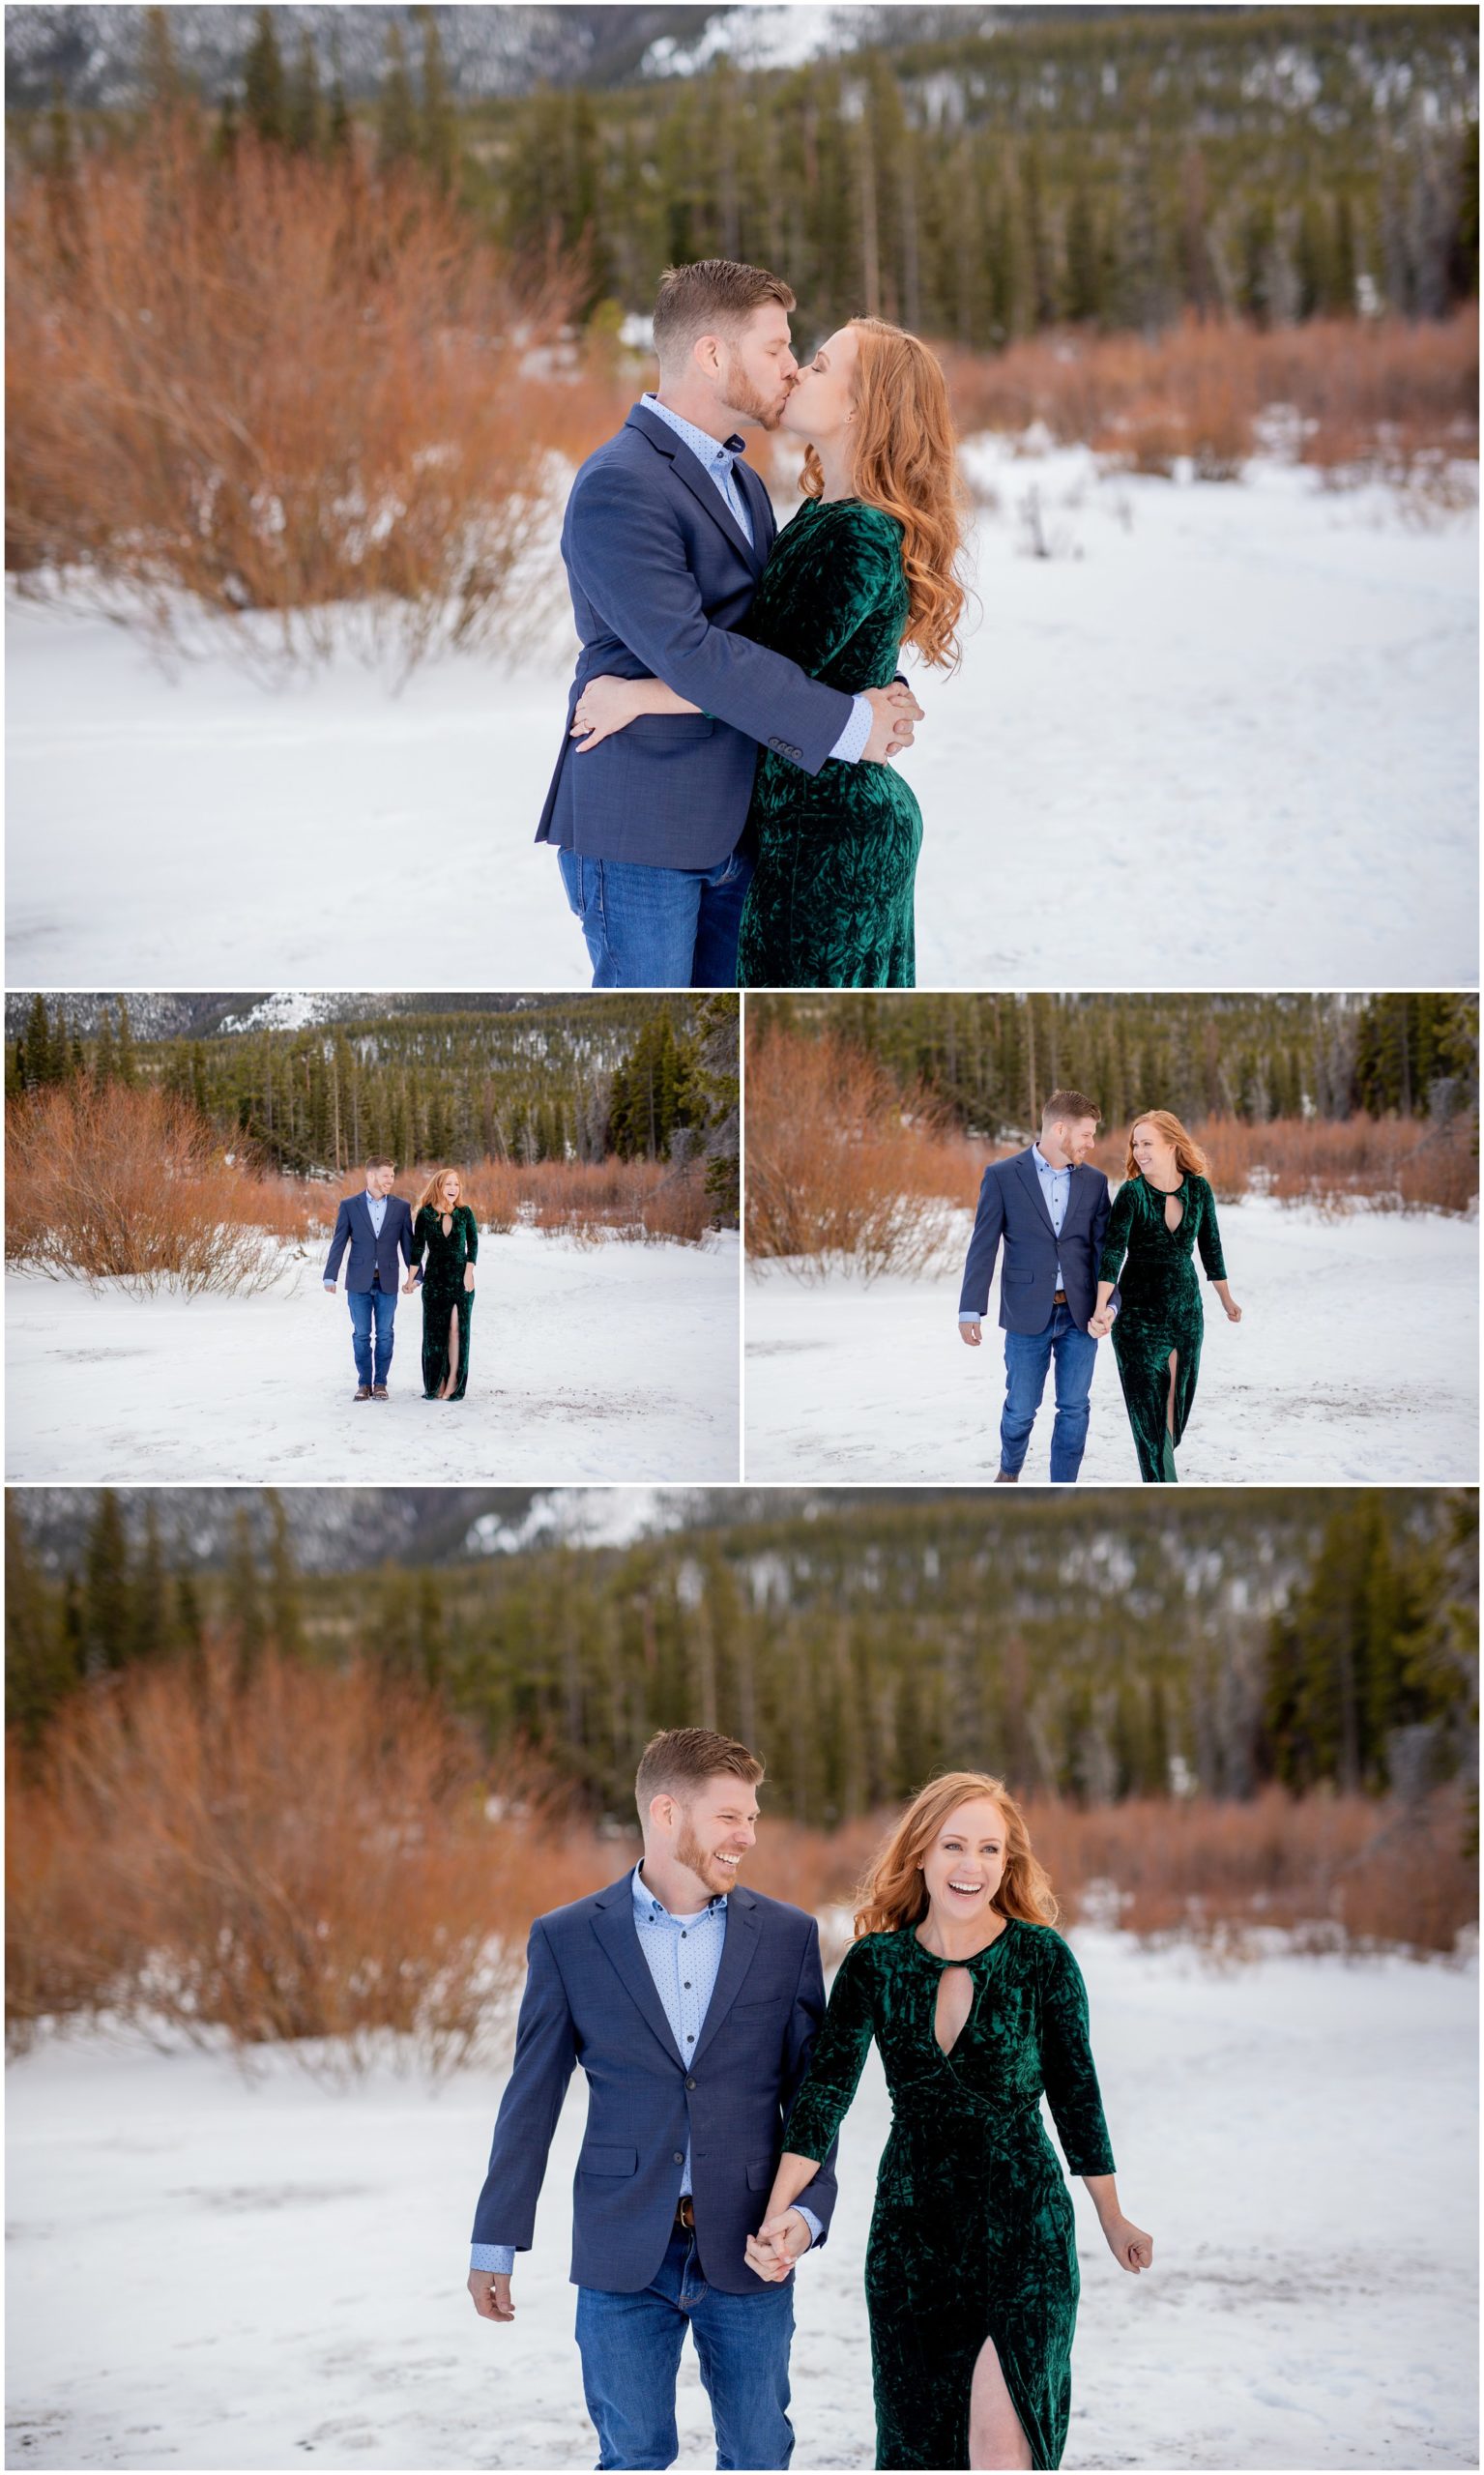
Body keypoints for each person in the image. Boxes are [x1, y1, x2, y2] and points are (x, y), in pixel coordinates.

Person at [536, 257, 923, 990]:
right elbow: (690, 649)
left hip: (740, 828)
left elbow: (782, 631)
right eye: (776, 349)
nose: (787, 368)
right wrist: (844, 719)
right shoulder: (621, 483)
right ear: (712, 355)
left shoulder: (742, 480)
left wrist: (871, 680)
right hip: (643, 829)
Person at [747, 1773, 1151, 2473]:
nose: (972, 1866)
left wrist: (1111, 2216)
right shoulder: (875, 1965)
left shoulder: (1040, 1959)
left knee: (999, 2444)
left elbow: (1077, 2096)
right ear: (920, 1856)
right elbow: (823, 2099)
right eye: (954, 1845)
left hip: (1023, 2223)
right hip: (914, 2233)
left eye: (989, 1849)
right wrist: (776, 2214)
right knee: (919, 2446)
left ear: (1007, 1863)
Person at [465, 1728, 838, 2472]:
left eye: (753, 1818)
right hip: (620, 2247)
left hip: (749, 2248)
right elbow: (530, 2100)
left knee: (761, 2452)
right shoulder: (568, 1938)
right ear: (666, 1813)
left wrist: (805, 2213)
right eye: (731, 1817)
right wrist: (494, 2239)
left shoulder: (788, 1937)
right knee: (631, 2453)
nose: (748, 1836)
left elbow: (814, 2099)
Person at [957, 1092, 1118, 1484]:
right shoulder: (1002, 1176)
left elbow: (1107, 1253)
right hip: (1026, 1313)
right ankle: (1009, 1472)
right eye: (1086, 1134)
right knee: (1021, 1407)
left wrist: (1110, 1306)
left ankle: (1063, 1486)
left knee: (1075, 1407)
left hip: (1081, 1315)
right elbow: (984, 1244)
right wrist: (970, 1307)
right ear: (1059, 1129)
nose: (1091, 1144)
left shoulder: (1095, 1182)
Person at [1089, 1111, 1242, 1484]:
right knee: (1149, 1418)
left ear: (1172, 1145)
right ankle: (1161, 1484)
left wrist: (1226, 1299)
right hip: (1138, 1317)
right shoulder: (1132, 1194)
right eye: (1135, 1144)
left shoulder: (1199, 1190)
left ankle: (1162, 1472)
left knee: (1177, 1407)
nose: (1139, 1152)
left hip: (1187, 1313)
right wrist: (1101, 1310)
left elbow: (1212, 1249)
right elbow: (1113, 1255)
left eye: (1147, 1143)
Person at [321, 1157, 415, 1402]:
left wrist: (416, 1276)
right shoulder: (350, 1205)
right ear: (371, 1176)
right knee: (361, 1334)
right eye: (386, 1176)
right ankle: (364, 1383)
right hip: (358, 1282)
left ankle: (381, 1383)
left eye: (392, 1176)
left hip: (388, 1281)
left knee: (385, 1333)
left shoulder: (401, 1207)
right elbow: (339, 1241)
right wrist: (330, 1275)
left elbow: (408, 1246)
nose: (390, 1180)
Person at [405, 1168, 478, 1402]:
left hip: (460, 1279)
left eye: (456, 1184)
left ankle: (454, 1380)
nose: (453, 1189)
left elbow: (473, 1245)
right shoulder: (425, 1214)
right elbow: (417, 1249)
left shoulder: (465, 1213)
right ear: (438, 1186)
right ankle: (438, 1381)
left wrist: (469, 1273)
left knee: (456, 1331)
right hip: (435, 1281)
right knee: (435, 1335)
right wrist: (410, 1279)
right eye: (448, 1184)